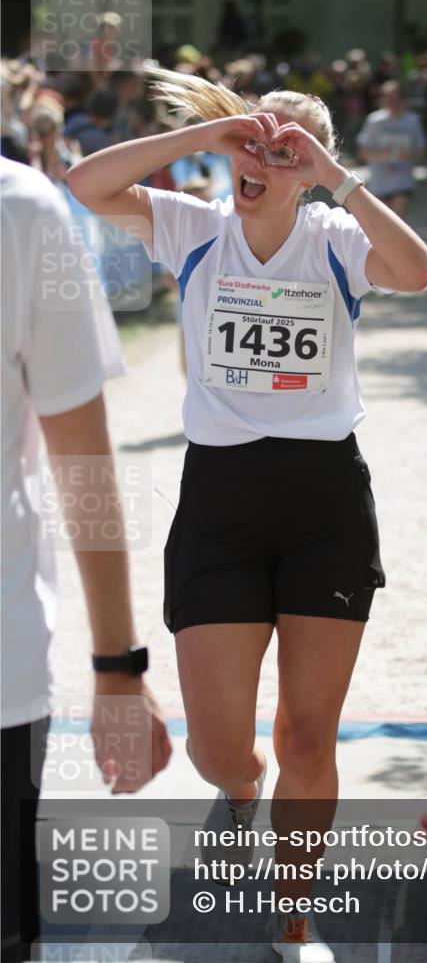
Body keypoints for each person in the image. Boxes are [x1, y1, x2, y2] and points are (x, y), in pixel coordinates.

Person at [66, 68, 427, 962]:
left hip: (324, 504)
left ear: (309, 170)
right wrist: (202, 138)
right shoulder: (194, 228)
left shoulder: (339, 239)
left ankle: (296, 921)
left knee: (310, 733)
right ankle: (240, 788)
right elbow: (85, 186)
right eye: (253, 146)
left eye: (284, 153)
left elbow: (420, 273)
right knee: (222, 749)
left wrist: (337, 178)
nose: (260, 162)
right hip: (222, 504)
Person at [1, 156, 172, 962]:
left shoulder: (23, 209)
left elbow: (85, 467)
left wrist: (118, 666)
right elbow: (85, 467)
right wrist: (117, 669)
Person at [356, 80, 427, 219]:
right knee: (382, 225)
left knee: (397, 220)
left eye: (395, 98)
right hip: (379, 183)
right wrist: (384, 155)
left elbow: (421, 152)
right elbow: (363, 152)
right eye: (387, 98)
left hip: (402, 181)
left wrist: (409, 155)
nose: (391, 102)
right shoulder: (374, 121)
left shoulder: (413, 121)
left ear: (402, 99)